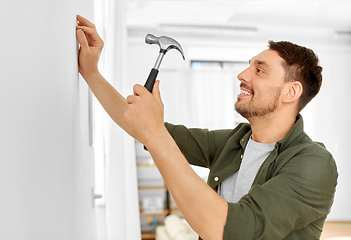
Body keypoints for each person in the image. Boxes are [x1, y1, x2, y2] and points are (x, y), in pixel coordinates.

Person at [76, 15, 338, 240]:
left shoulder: (314, 163)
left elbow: (227, 229)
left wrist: (155, 133)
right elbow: (138, 124)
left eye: (259, 71)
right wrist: (91, 73)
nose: (242, 75)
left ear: (291, 91)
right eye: (249, 66)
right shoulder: (235, 141)